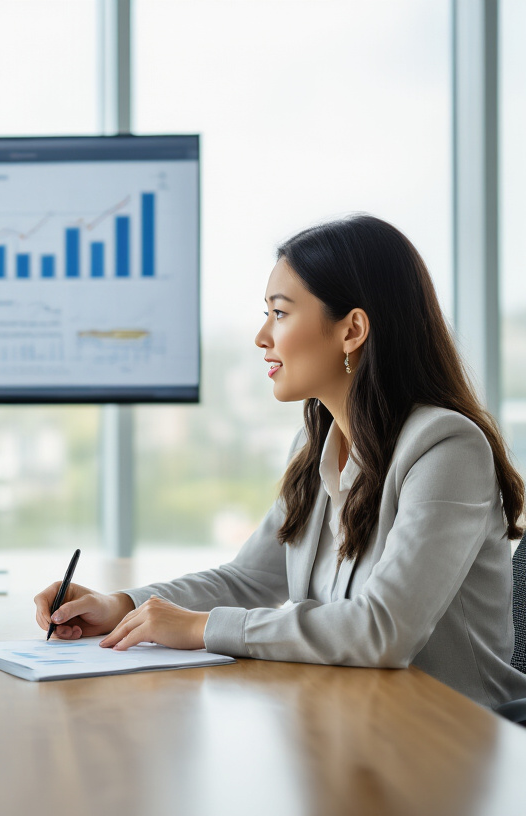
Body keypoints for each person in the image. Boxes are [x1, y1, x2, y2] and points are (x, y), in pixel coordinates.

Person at [34, 214, 526, 708]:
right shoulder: (316, 447)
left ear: (352, 329)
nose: (261, 337)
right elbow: (249, 579)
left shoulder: (446, 448)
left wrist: (202, 628)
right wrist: (121, 606)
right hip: (356, 721)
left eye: (280, 313)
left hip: (456, 736)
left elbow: (385, 629)